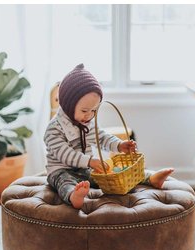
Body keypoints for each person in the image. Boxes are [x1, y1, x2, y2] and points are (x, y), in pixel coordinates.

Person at [44, 64, 174, 209]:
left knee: (113, 175)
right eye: (84, 110)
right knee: (65, 181)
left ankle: (150, 177)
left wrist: (119, 145)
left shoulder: (88, 122)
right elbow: (64, 154)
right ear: (68, 105)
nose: (89, 115)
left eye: (94, 110)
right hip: (61, 170)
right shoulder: (54, 128)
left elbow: (102, 137)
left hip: (85, 169)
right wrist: (90, 161)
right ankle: (73, 195)